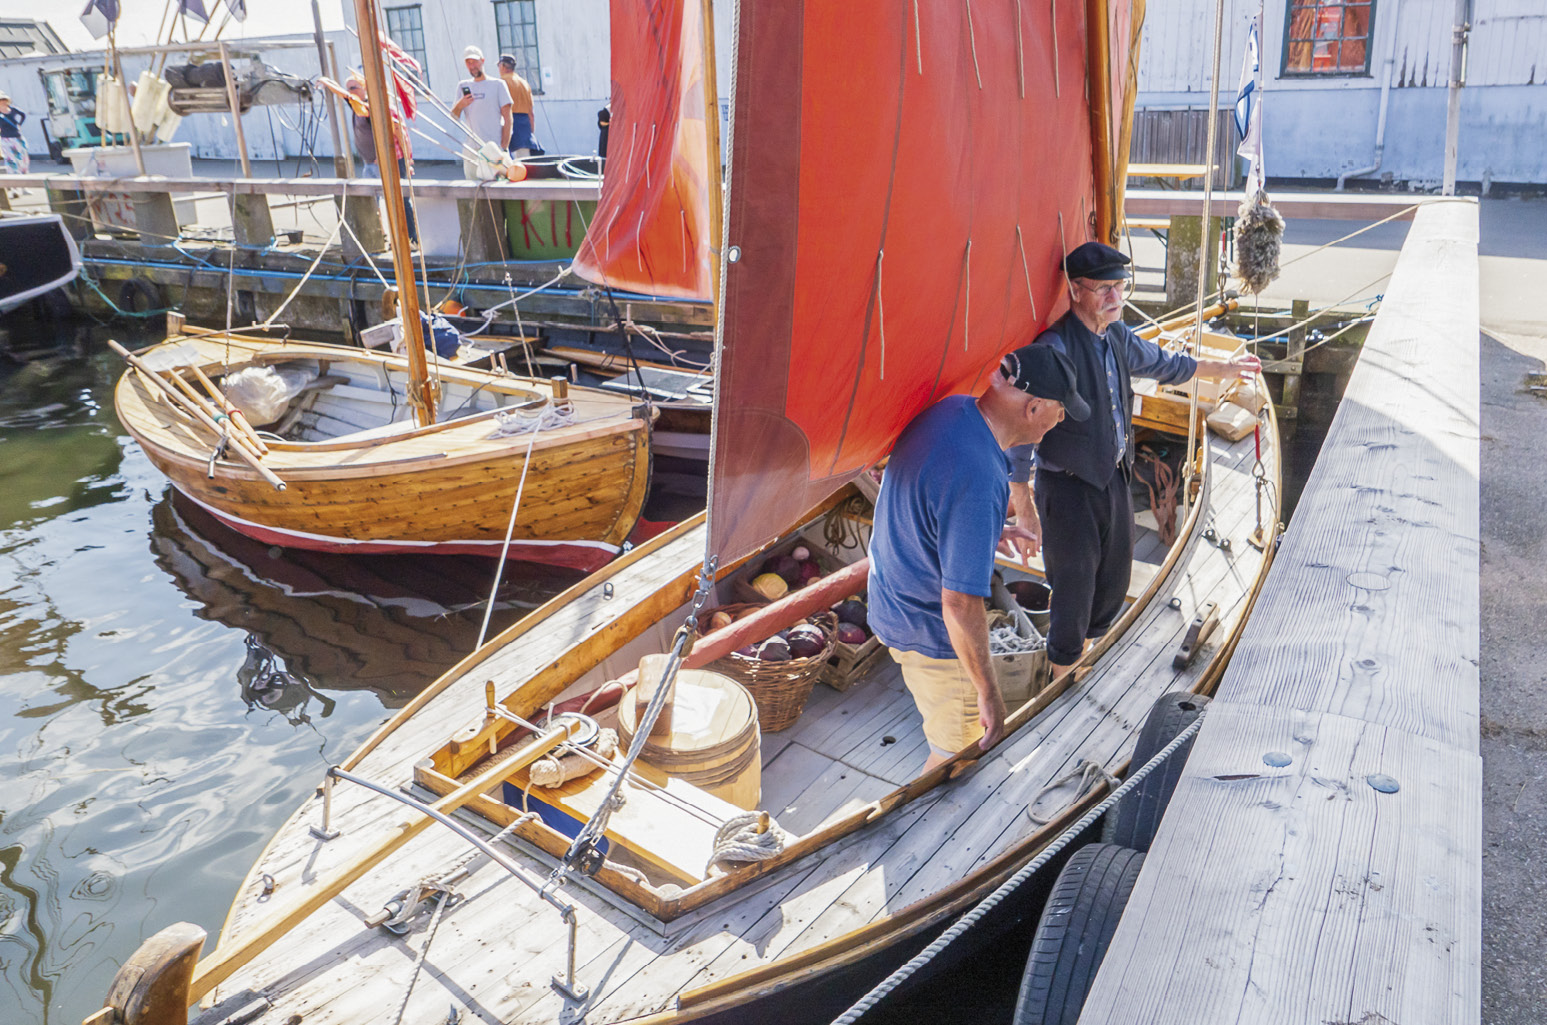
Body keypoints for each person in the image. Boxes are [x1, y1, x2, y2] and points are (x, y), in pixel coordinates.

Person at [1007, 241, 1261, 684]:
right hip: (1067, 488)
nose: (1115, 297)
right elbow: (1023, 427)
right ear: (1076, 290)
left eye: (1120, 287)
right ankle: (1061, 681)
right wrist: (1022, 499)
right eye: (1104, 289)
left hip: (1112, 479)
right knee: (1073, 590)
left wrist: (1222, 370)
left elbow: (1168, 365)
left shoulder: (1118, 338)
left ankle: (1085, 661)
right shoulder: (1055, 349)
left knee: (1112, 579)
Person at [869, 345, 1091, 772]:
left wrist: (986, 532)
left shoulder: (952, 411)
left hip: (889, 601)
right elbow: (959, 604)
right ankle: (926, 834)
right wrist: (989, 692)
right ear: (1034, 408)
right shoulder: (982, 476)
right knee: (958, 760)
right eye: (1061, 411)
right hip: (930, 631)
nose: (1061, 420)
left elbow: (929, 504)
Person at [345, 74, 417, 243]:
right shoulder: (358, 108)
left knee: (400, 199)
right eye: (348, 89)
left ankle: (410, 239)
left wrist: (407, 160)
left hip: (390, 161)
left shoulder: (381, 109)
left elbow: (401, 135)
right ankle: (381, 236)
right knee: (372, 199)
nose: (350, 92)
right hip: (369, 162)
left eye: (354, 88)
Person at [450, 45, 510, 178]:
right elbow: (453, 117)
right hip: (472, 149)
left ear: (482, 61)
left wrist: (504, 146)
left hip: (494, 147)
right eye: (468, 63)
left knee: (498, 189)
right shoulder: (463, 86)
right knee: (473, 189)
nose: (472, 66)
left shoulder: (498, 84)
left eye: (475, 62)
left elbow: (508, 118)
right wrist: (460, 105)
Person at [496, 54, 541, 158]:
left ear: (502, 66)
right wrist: (530, 133)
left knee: (507, 165)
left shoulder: (501, 82)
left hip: (508, 126)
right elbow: (531, 113)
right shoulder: (524, 83)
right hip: (525, 127)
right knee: (525, 164)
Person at [0, 91, 29, 175]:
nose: (2, 101)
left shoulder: (13, 109)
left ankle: (24, 176)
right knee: (11, 160)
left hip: (17, 136)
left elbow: (23, 115)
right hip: (6, 138)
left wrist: (19, 124)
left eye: (3, 99)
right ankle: (14, 180)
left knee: (23, 158)